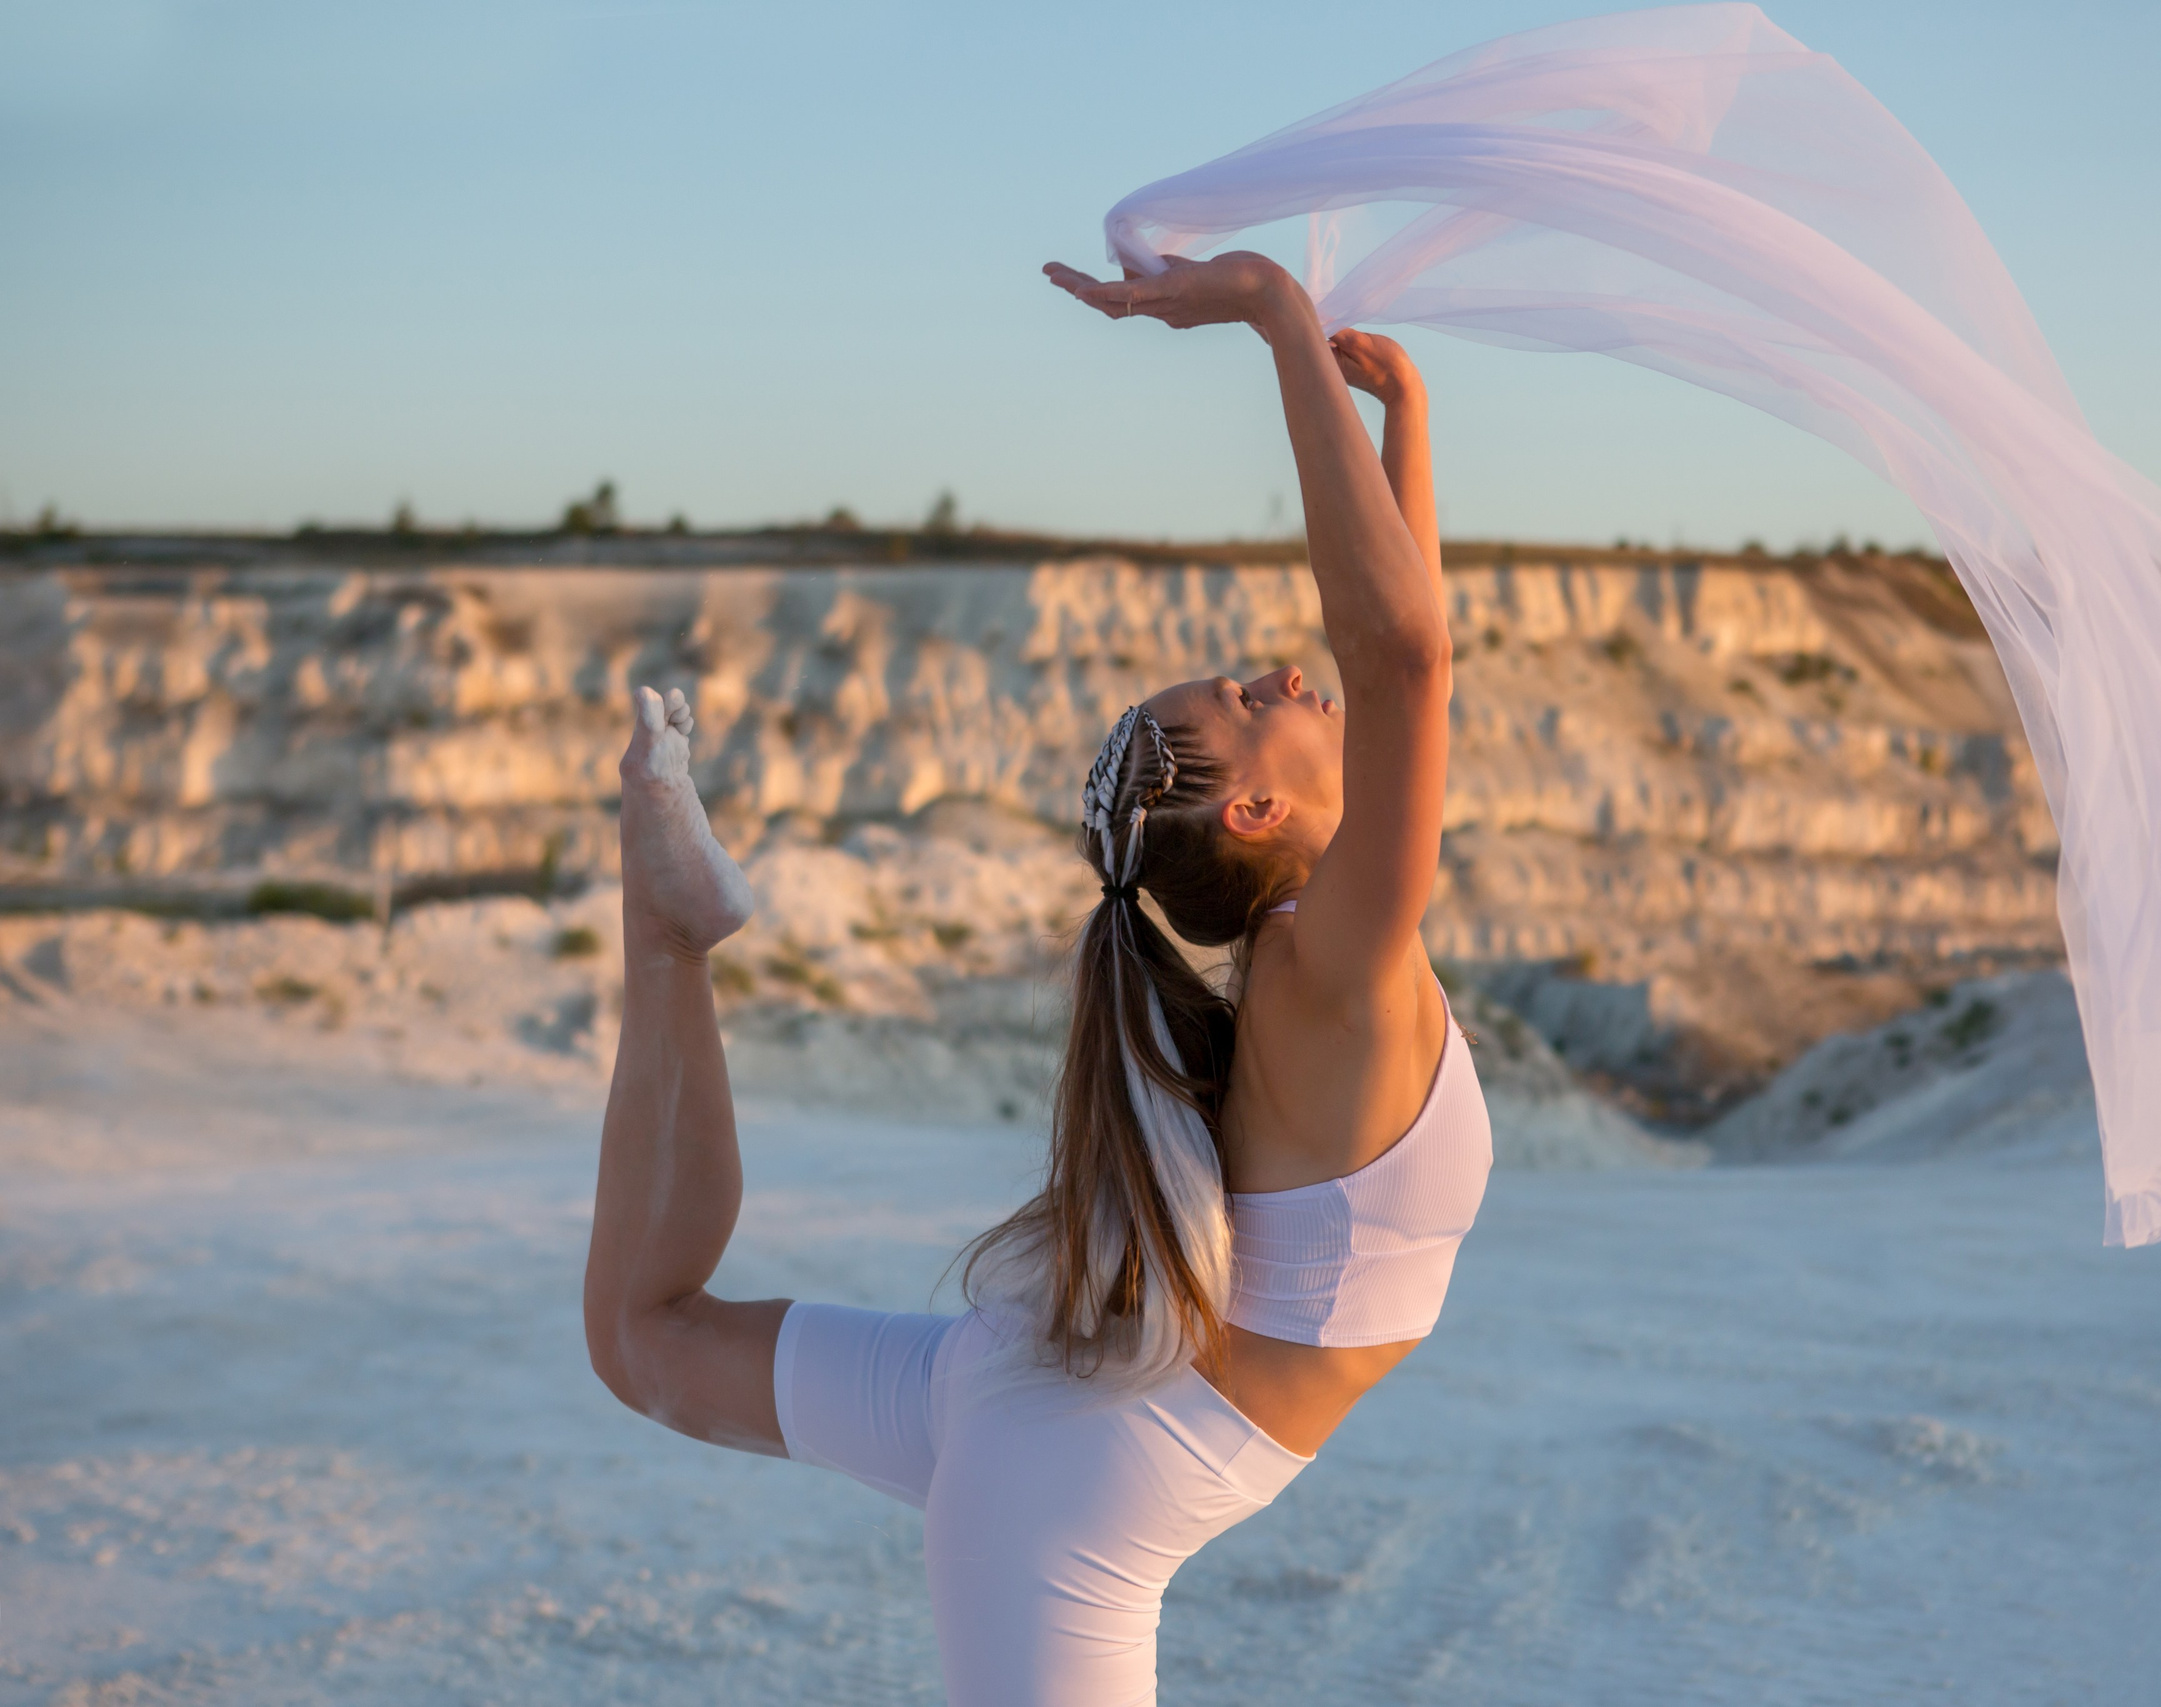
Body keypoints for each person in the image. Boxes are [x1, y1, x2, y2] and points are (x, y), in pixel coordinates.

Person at [582, 249, 1491, 1705]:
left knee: (647, 1340)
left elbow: (1395, 663)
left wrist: (1400, 425)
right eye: (1252, 697)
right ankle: (671, 935)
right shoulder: (1327, 969)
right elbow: (1401, 663)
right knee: (648, 1345)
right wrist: (1271, 316)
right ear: (1254, 816)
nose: (1281, 673)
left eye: (1249, 684)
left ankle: (669, 940)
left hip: (1042, 1402)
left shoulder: (1321, 964)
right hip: (1078, 1471)